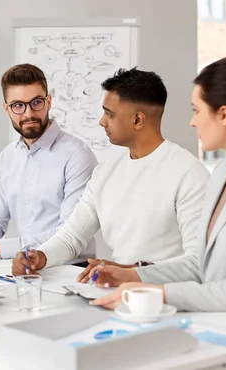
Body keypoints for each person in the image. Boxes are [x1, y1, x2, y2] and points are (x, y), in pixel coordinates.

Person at [91, 56, 226, 316]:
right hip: (222, 323)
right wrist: (132, 275)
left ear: (223, 114)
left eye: (196, 111)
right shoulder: (222, 173)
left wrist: (157, 293)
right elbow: (200, 263)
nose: (192, 122)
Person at [11, 68, 210, 279]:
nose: (101, 121)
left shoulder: (188, 173)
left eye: (109, 114)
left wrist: (133, 271)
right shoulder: (104, 174)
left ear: (137, 120)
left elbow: (197, 261)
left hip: (166, 297)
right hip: (115, 292)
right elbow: (72, 237)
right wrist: (39, 257)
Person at [0, 64, 98, 263]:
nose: (28, 114)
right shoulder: (7, 157)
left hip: (71, 268)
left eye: (36, 102)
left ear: (48, 101)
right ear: (7, 109)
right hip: (23, 267)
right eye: (18, 105)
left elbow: (69, 232)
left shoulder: (77, 155)